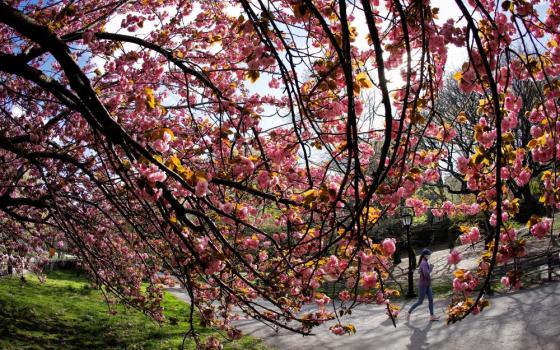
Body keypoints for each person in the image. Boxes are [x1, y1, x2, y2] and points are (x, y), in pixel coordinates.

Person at [406, 248, 440, 322]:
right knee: (420, 302)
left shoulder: (424, 262)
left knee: (431, 299)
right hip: (423, 285)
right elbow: (426, 273)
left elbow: (419, 271)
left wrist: (428, 269)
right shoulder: (423, 263)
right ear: (425, 255)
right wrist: (431, 268)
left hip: (427, 285)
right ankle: (409, 312)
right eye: (429, 254)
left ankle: (432, 316)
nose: (430, 255)